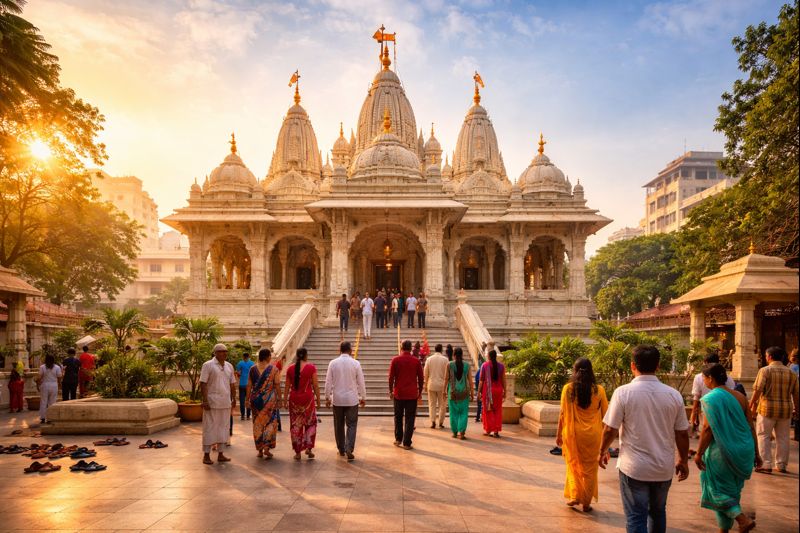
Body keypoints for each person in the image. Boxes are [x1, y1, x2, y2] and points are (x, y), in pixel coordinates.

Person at [599, 345, 690, 533]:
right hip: (663, 467)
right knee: (658, 512)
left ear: (633, 366)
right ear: (658, 366)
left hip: (634, 468)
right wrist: (682, 460)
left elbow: (610, 429)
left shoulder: (623, 393)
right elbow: (681, 432)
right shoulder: (673, 395)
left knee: (636, 517)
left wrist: (601, 451)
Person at [695, 363, 759, 533]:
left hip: (721, 452)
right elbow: (750, 426)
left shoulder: (711, 399)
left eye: (703, 378)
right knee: (731, 491)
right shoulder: (740, 397)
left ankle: (742, 519)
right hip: (744, 449)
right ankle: (724, 529)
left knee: (715, 488)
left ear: (710, 378)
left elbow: (708, 429)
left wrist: (698, 453)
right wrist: (757, 453)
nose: (703, 381)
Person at [556, 358, 608, 513]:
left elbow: (563, 414)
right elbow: (606, 416)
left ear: (575, 370)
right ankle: (586, 502)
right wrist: (607, 442)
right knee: (590, 469)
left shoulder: (568, 389)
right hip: (593, 435)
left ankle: (574, 496)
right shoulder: (599, 390)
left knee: (573, 464)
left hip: (572, 433)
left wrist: (558, 434)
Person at [748, 346, 799, 474]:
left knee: (763, 436)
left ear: (769, 357)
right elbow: (796, 394)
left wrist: (750, 405)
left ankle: (765, 464)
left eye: (766, 356)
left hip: (767, 409)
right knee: (783, 437)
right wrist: (797, 409)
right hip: (785, 410)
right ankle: (781, 465)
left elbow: (758, 390)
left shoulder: (765, 371)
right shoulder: (791, 373)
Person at [325, 341, 366, 461]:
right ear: (350, 350)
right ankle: (349, 447)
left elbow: (328, 382)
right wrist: (363, 397)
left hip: (337, 399)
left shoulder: (333, 363)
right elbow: (361, 382)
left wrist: (327, 397)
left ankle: (341, 449)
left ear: (340, 350)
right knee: (352, 424)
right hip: (352, 400)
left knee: (339, 425)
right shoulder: (356, 363)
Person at [200, 343, 236, 465]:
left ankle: (221, 453)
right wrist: (205, 400)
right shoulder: (208, 365)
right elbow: (203, 383)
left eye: (225, 351)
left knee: (224, 428)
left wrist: (234, 398)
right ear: (215, 353)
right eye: (221, 351)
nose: (224, 353)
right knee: (209, 428)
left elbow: (232, 384)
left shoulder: (229, 366)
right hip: (212, 402)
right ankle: (206, 455)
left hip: (225, 402)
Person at [284, 347, 320, 461]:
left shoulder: (290, 369)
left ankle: (298, 452)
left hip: (294, 400)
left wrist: (284, 400)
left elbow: (287, 386)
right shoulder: (311, 367)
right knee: (310, 423)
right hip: (308, 399)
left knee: (296, 425)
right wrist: (318, 399)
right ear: (305, 355)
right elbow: (315, 385)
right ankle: (309, 448)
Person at [689, 352, 736, 437]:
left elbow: (696, 397)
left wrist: (693, 414)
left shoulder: (700, 378)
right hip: (723, 411)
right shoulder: (728, 378)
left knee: (707, 432)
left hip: (709, 410)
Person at [389, 339, 424, 449]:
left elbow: (391, 377)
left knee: (398, 417)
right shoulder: (416, 361)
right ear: (411, 348)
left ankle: (398, 439)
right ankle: (407, 443)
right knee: (410, 418)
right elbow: (421, 378)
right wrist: (420, 391)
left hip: (399, 393)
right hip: (412, 394)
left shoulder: (395, 360)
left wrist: (390, 390)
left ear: (401, 347)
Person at [247, 348, 281, 460]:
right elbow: (276, 385)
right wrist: (280, 399)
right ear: (267, 357)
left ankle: (260, 451)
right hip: (269, 402)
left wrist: (247, 400)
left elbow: (249, 385)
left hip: (256, 402)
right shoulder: (274, 369)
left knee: (257, 424)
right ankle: (267, 448)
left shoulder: (252, 369)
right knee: (270, 423)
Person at [444, 347, 473, 439]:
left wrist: (444, 390)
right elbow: (470, 380)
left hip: (452, 393)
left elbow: (446, 379)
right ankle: (462, 433)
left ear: (453, 355)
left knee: (453, 413)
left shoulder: (449, 365)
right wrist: (472, 393)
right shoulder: (467, 365)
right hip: (464, 393)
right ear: (462, 355)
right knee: (463, 413)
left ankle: (455, 432)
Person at [479, 349, 505, 437]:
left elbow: (481, 381)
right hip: (498, 391)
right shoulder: (501, 366)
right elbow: (503, 380)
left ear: (489, 356)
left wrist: (478, 392)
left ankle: (488, 430)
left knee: (488, 410)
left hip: (488, 391)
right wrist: (505, 391)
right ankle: (496, 431)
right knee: (497, 410)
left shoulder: (485, 365)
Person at [424, 344, 449, 429]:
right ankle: (441, 422)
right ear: (441, 350)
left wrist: (425, 383)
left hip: (431, 384)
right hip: (442, 385)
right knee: (442, 405)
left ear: (434, 349)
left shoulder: (429, 359)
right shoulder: (445, 360)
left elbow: (426, 373)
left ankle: (433, 421)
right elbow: (448, 374)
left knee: (432, 404)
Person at [36, 354, 62, 423]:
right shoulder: (57, 367)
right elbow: (59, 378)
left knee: (43, 402)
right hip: (54, 385)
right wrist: (60, 385)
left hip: (45, 385)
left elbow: (39, 377)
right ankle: (50, 418)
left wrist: (37, 385)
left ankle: (43, 418)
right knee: (52, 402)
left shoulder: (42, 367)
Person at [235, 352, 255, 420]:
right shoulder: (252, 363)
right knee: (248, 400)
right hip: (249, 385)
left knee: (242, 401)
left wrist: (240, 374)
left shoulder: (240, 363)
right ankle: (248, 416)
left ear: (243, 357)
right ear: (249, 356)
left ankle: (243, 415)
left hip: (242, 384)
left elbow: (237, 372)